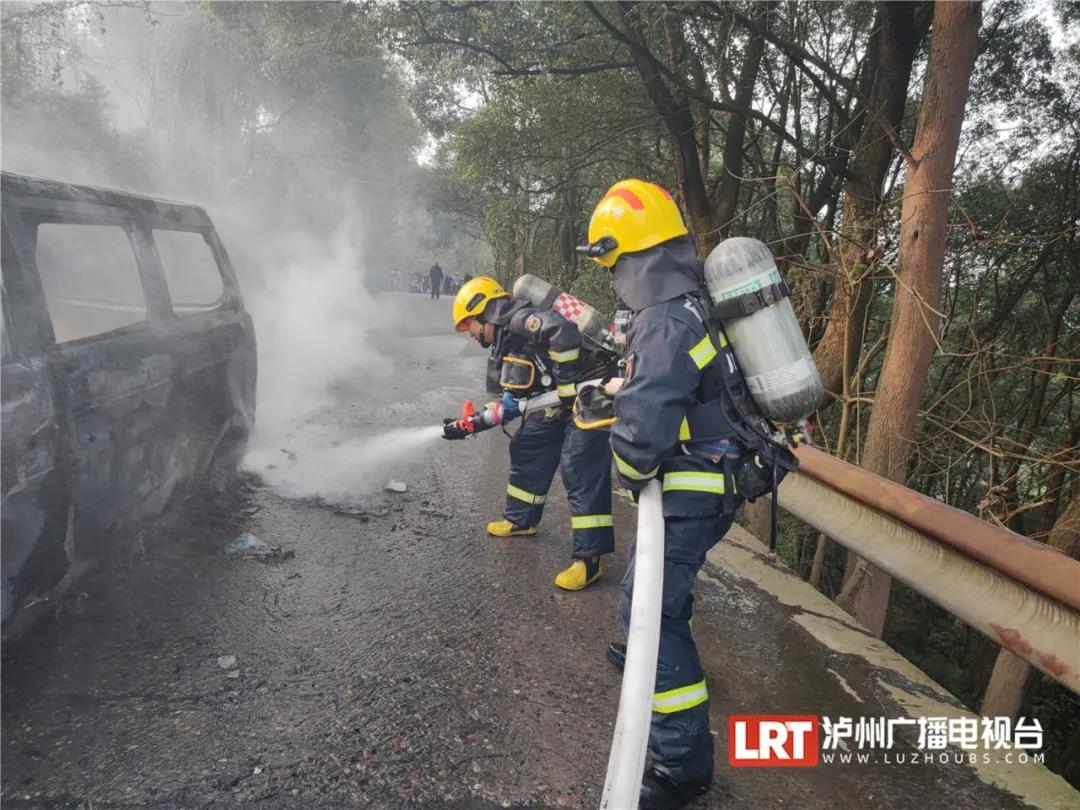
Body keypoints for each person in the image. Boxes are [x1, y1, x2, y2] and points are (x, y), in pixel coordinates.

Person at [579, 179, 750, 809]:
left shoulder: (664, 317)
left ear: (632, 254)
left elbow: (646, 428)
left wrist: (627, 461)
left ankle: (682, 768)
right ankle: (639, 653)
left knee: (654, 612)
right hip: (717, 473)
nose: (614, 275)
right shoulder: (692, 299)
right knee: (651, 601)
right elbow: (670, 385)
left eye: (614, 261)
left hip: (695, 486)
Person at [443, 276, 615, 590]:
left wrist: (565, 384)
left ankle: (590, 561)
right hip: (559, 401)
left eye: (469, 324)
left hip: (592, 392)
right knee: (528, 446)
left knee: (579, 466)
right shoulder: (506, 338)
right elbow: (512, 399)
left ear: (484, 312)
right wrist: (473, 423)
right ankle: (521, 520)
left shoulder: (521, 319)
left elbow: (561, 333)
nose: (469, 333)